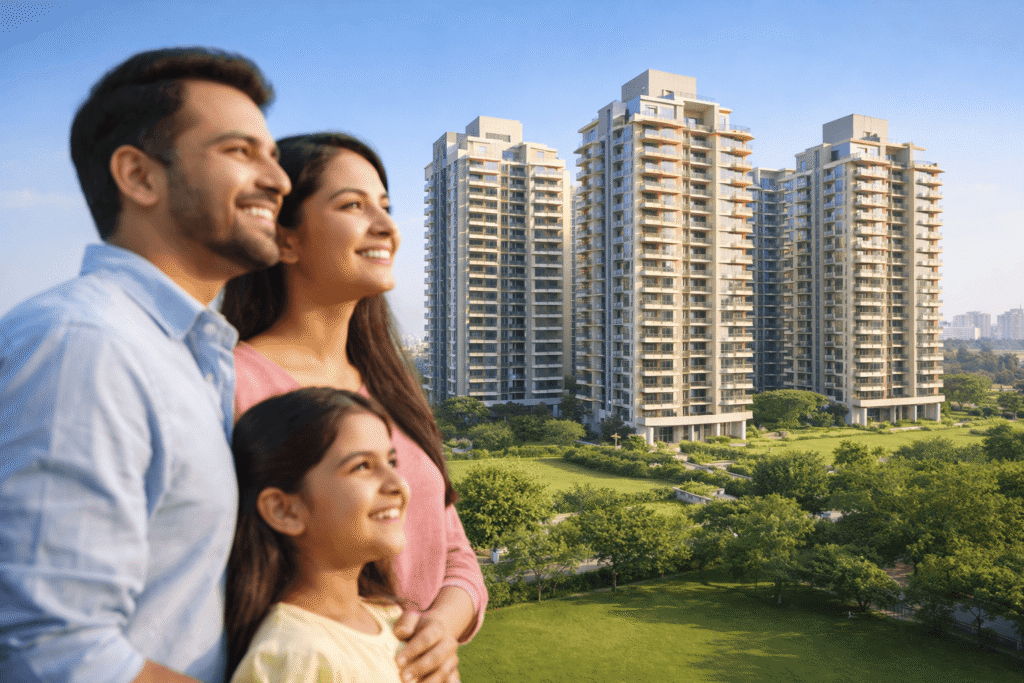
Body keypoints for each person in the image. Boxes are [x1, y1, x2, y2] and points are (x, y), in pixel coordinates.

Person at [0, 48, 291, 683]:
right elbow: (54, 654)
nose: (279, 180)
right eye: (241, 152)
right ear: (139, 176)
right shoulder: (85, 346)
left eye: (271, 155)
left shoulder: (192, 354)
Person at [222, 132, 486, 683]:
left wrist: (440, 626)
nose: (387, 226)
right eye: (352, 205)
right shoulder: (231, 386)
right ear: (285, 240)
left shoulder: (390, 387)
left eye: (386, 208)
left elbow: (454, 552)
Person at [228, 387, 410, 683]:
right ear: (285, 511)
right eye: (362, 466)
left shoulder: (388, 619)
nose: (396, 484)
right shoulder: (296, 656)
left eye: (391, 462)